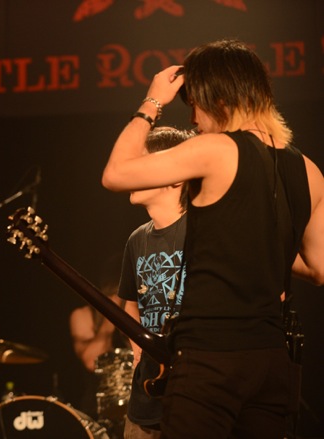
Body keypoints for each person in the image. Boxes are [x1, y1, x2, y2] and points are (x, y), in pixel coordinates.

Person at [101, 38, 324, 438]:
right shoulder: (309, 170)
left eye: (195, 106)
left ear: (219, 99)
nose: (193, 119)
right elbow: (319, 268)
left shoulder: (216, 149)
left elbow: (116, 173)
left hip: (211, 357)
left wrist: (152, 102)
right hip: (271, 362)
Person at [117, 127, 193, 439]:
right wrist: (139, 346)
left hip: (193, 394)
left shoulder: (203, 231)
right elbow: (130, 303)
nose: (132, 173)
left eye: (143, 163)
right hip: (145, 400)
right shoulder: (137, 239)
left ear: (175, 178)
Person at [69, 257, 129, 422]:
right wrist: (111, 313)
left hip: (142, 405)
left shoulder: (142, 311)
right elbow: (91, 362)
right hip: (99, 412)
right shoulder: (83, 315)